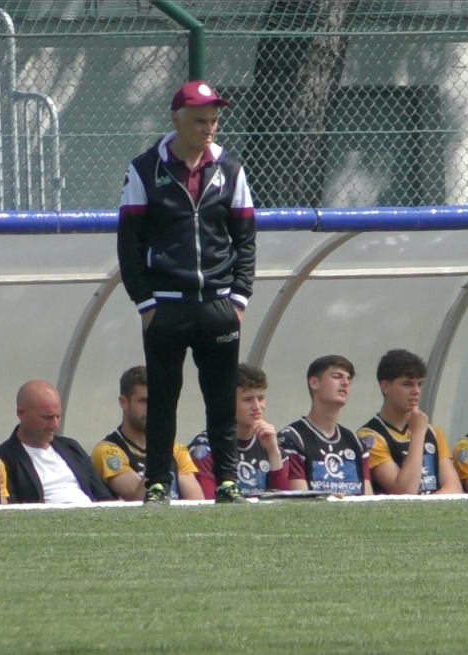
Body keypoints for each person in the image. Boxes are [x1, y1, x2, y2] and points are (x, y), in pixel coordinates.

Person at [117, 80, 256, 505]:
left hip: (217, 304)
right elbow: (129, 243)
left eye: (214, 120)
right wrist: (146, 304)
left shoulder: (230, 168)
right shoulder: (144, 169)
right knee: (162, 400)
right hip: (167, 306)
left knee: (222, 399)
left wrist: (238, 299)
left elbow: (246, 238)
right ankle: (158, 483)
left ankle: (228, 481)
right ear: (175, 119)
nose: (209, 128)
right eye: (200, 121)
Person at [356, 349, 462, 495]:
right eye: (407, 384)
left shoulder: (434, 433)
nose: (416, 391)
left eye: (419, 384)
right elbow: (405, 492)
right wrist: (417, 434)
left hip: (432, 508)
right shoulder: (370, 437)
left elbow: (454, 488)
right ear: (385, 387)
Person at [91, 366, 204, 502]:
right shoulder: (107, 451)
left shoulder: (176, 449)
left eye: (157, 401)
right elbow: (140, 499)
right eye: (143, 401)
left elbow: (197, 503)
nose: (152, 409)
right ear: (124, 402)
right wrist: (158, 453)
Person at [0, 380, 114, 504]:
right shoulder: (2, 460)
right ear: (21, 413)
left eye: (58, 416)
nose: (55, 425)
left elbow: (102, 494)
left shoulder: (71, 447)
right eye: (47, 417)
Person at [188, 363, 293, 498]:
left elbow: (283, 503)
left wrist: (274, 452)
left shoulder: (271, 444)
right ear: (227, 402)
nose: (257, 407)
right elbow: (209, 504)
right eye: (248, 399)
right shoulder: (205, 447)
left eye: (261, 398)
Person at [278, 355, 372, 496]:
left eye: (349, 379)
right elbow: (300, 500)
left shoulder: (355, 441)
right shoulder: (292, 438)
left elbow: (368, 500)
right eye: (337, 376)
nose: (345, 383)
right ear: (314, 383)